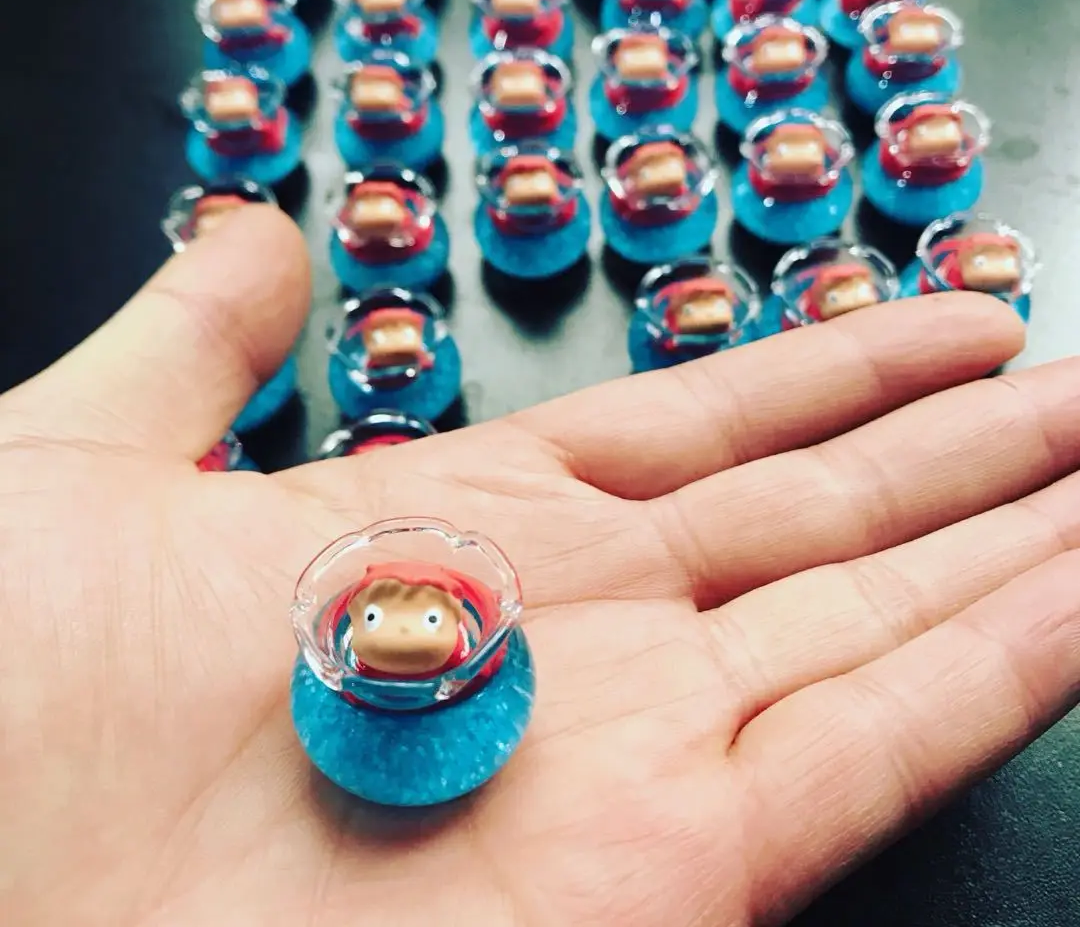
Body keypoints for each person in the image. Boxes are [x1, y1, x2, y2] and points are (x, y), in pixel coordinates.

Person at [1, 204, 1077, 927]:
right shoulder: (329, 696)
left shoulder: (489, 675)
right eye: (389, 622)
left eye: (419, 620)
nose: (402, 632)